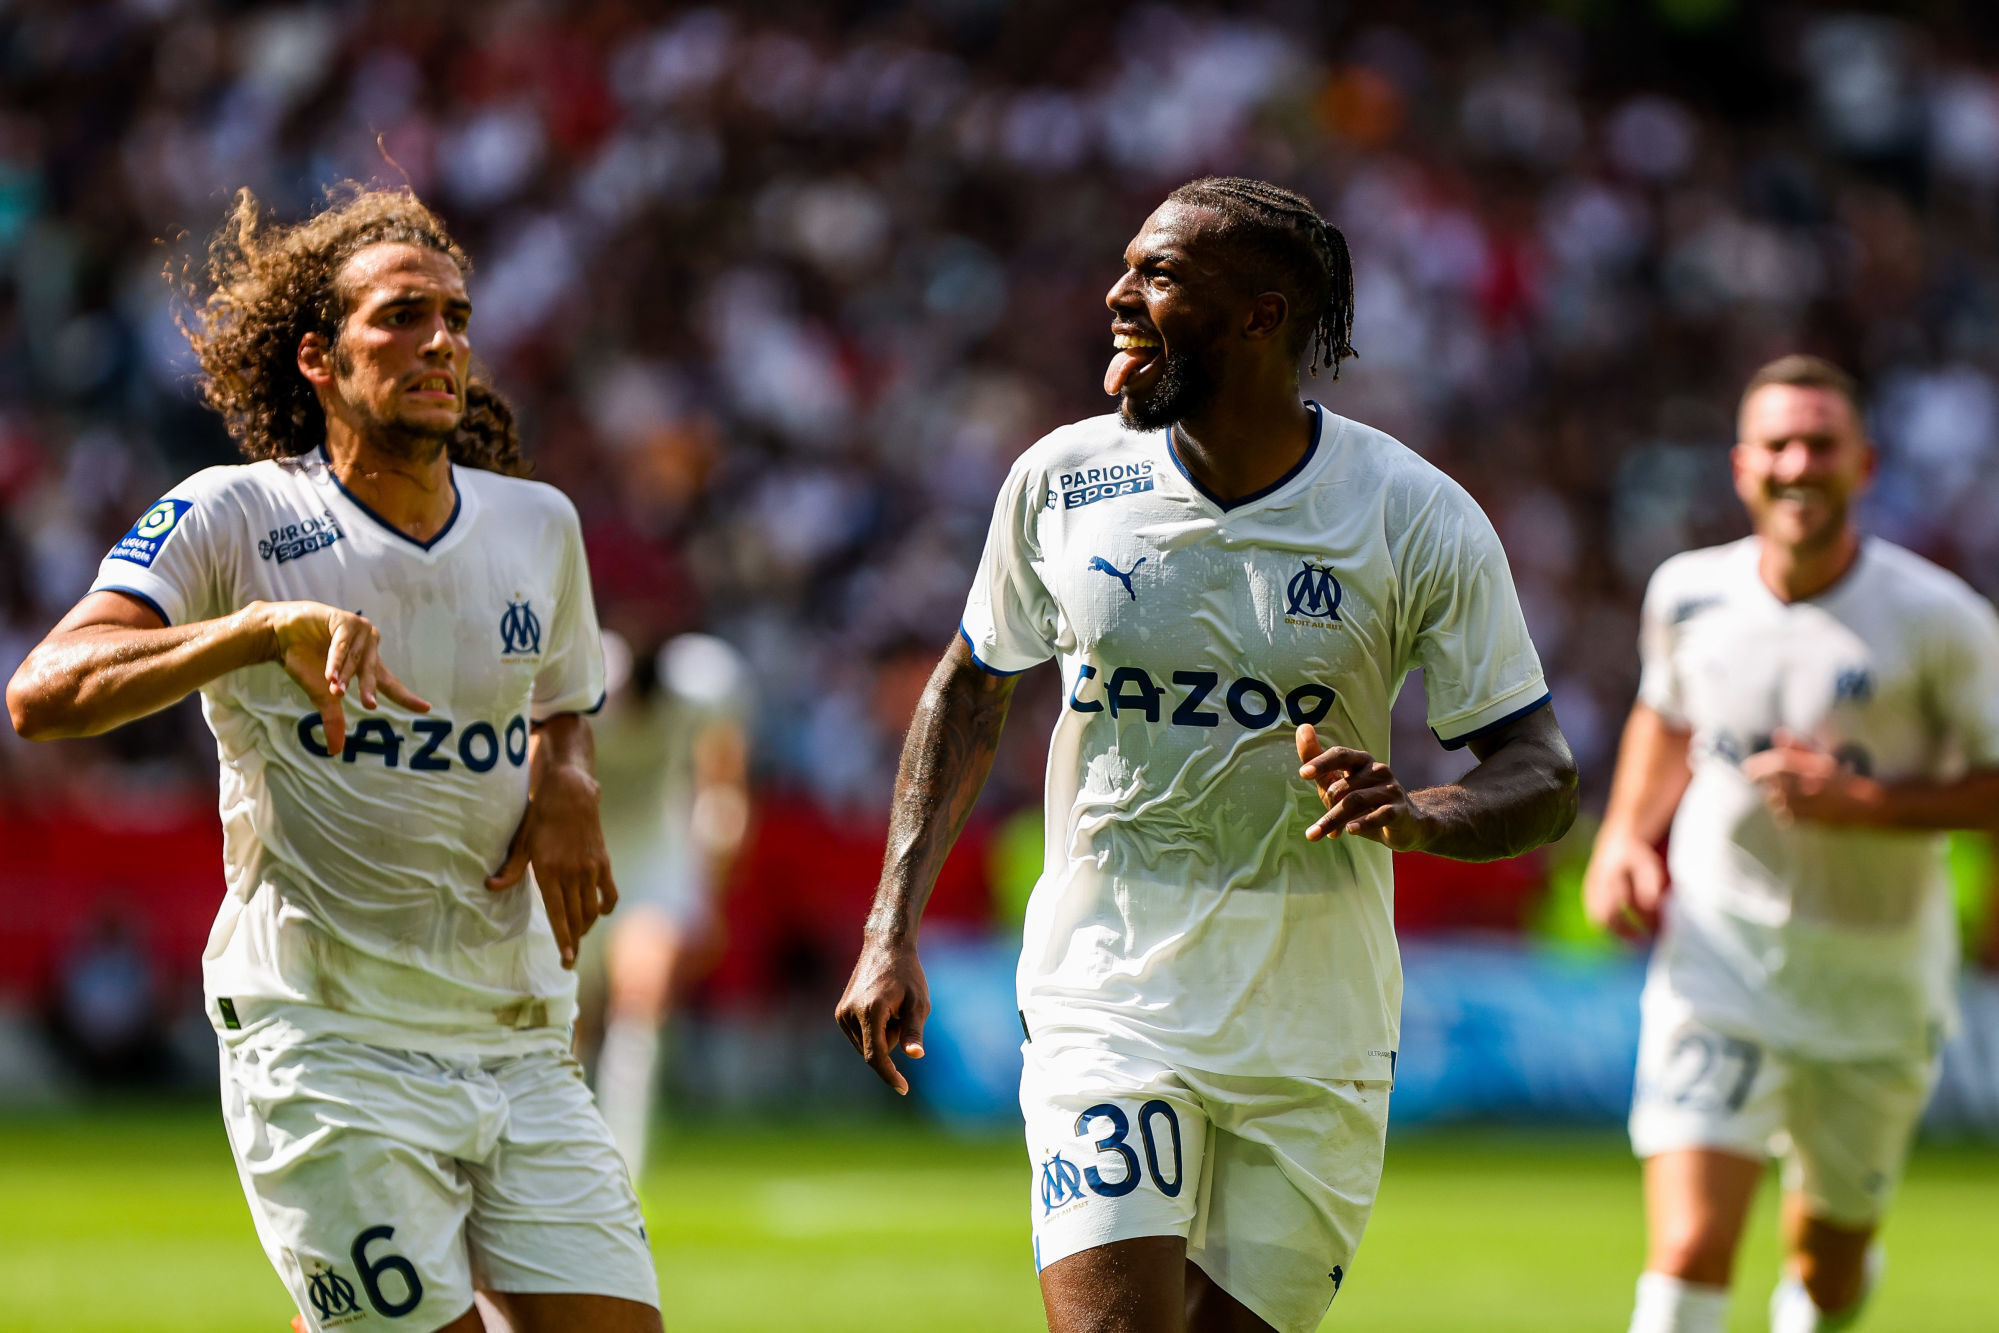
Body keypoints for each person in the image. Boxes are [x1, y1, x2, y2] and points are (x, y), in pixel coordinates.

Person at [834, 176, 1578, 1333]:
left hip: (1317, 1023)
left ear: (1260, 316)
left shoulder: (1412, 513)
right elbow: (971, 686)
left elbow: (1543, 772)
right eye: (1127, 267)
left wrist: (1420, 814)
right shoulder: (1063, 480)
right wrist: (891, 924)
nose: (1115, 295)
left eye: (1159, 275)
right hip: (1110, 991)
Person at [5, 186, 660, 1333]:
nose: (441, 341)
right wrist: (256, 631)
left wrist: (568, 775)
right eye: (402, 316)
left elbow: (564, 703)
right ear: (318, 356)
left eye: (455, 317)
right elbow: (42, 694)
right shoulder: (232, 513)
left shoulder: (540, 526)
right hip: (325, 1044)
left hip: (515, 1038)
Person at [1583, 355, 1999, 1333]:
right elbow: (1665, 717)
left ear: (1864, 464)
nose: (1797, 464)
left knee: (1825, 1267)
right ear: (1741, 466)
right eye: (1777, 444)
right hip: (1718, 959)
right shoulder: (1687, 594)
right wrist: (1622, 838)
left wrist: (1867, 802)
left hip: (1873, 983)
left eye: (1820, 444)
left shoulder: (1939, 619)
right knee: (1689, 1248)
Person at [587, 629, 751, 1182]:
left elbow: (725, 781)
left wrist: (710, 894)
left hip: (654, 859)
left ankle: (622, 1167)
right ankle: (558, 1156)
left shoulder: (703, 684)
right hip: (575, 853)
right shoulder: (578, 676)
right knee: (567, 1020)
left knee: (641, 998)